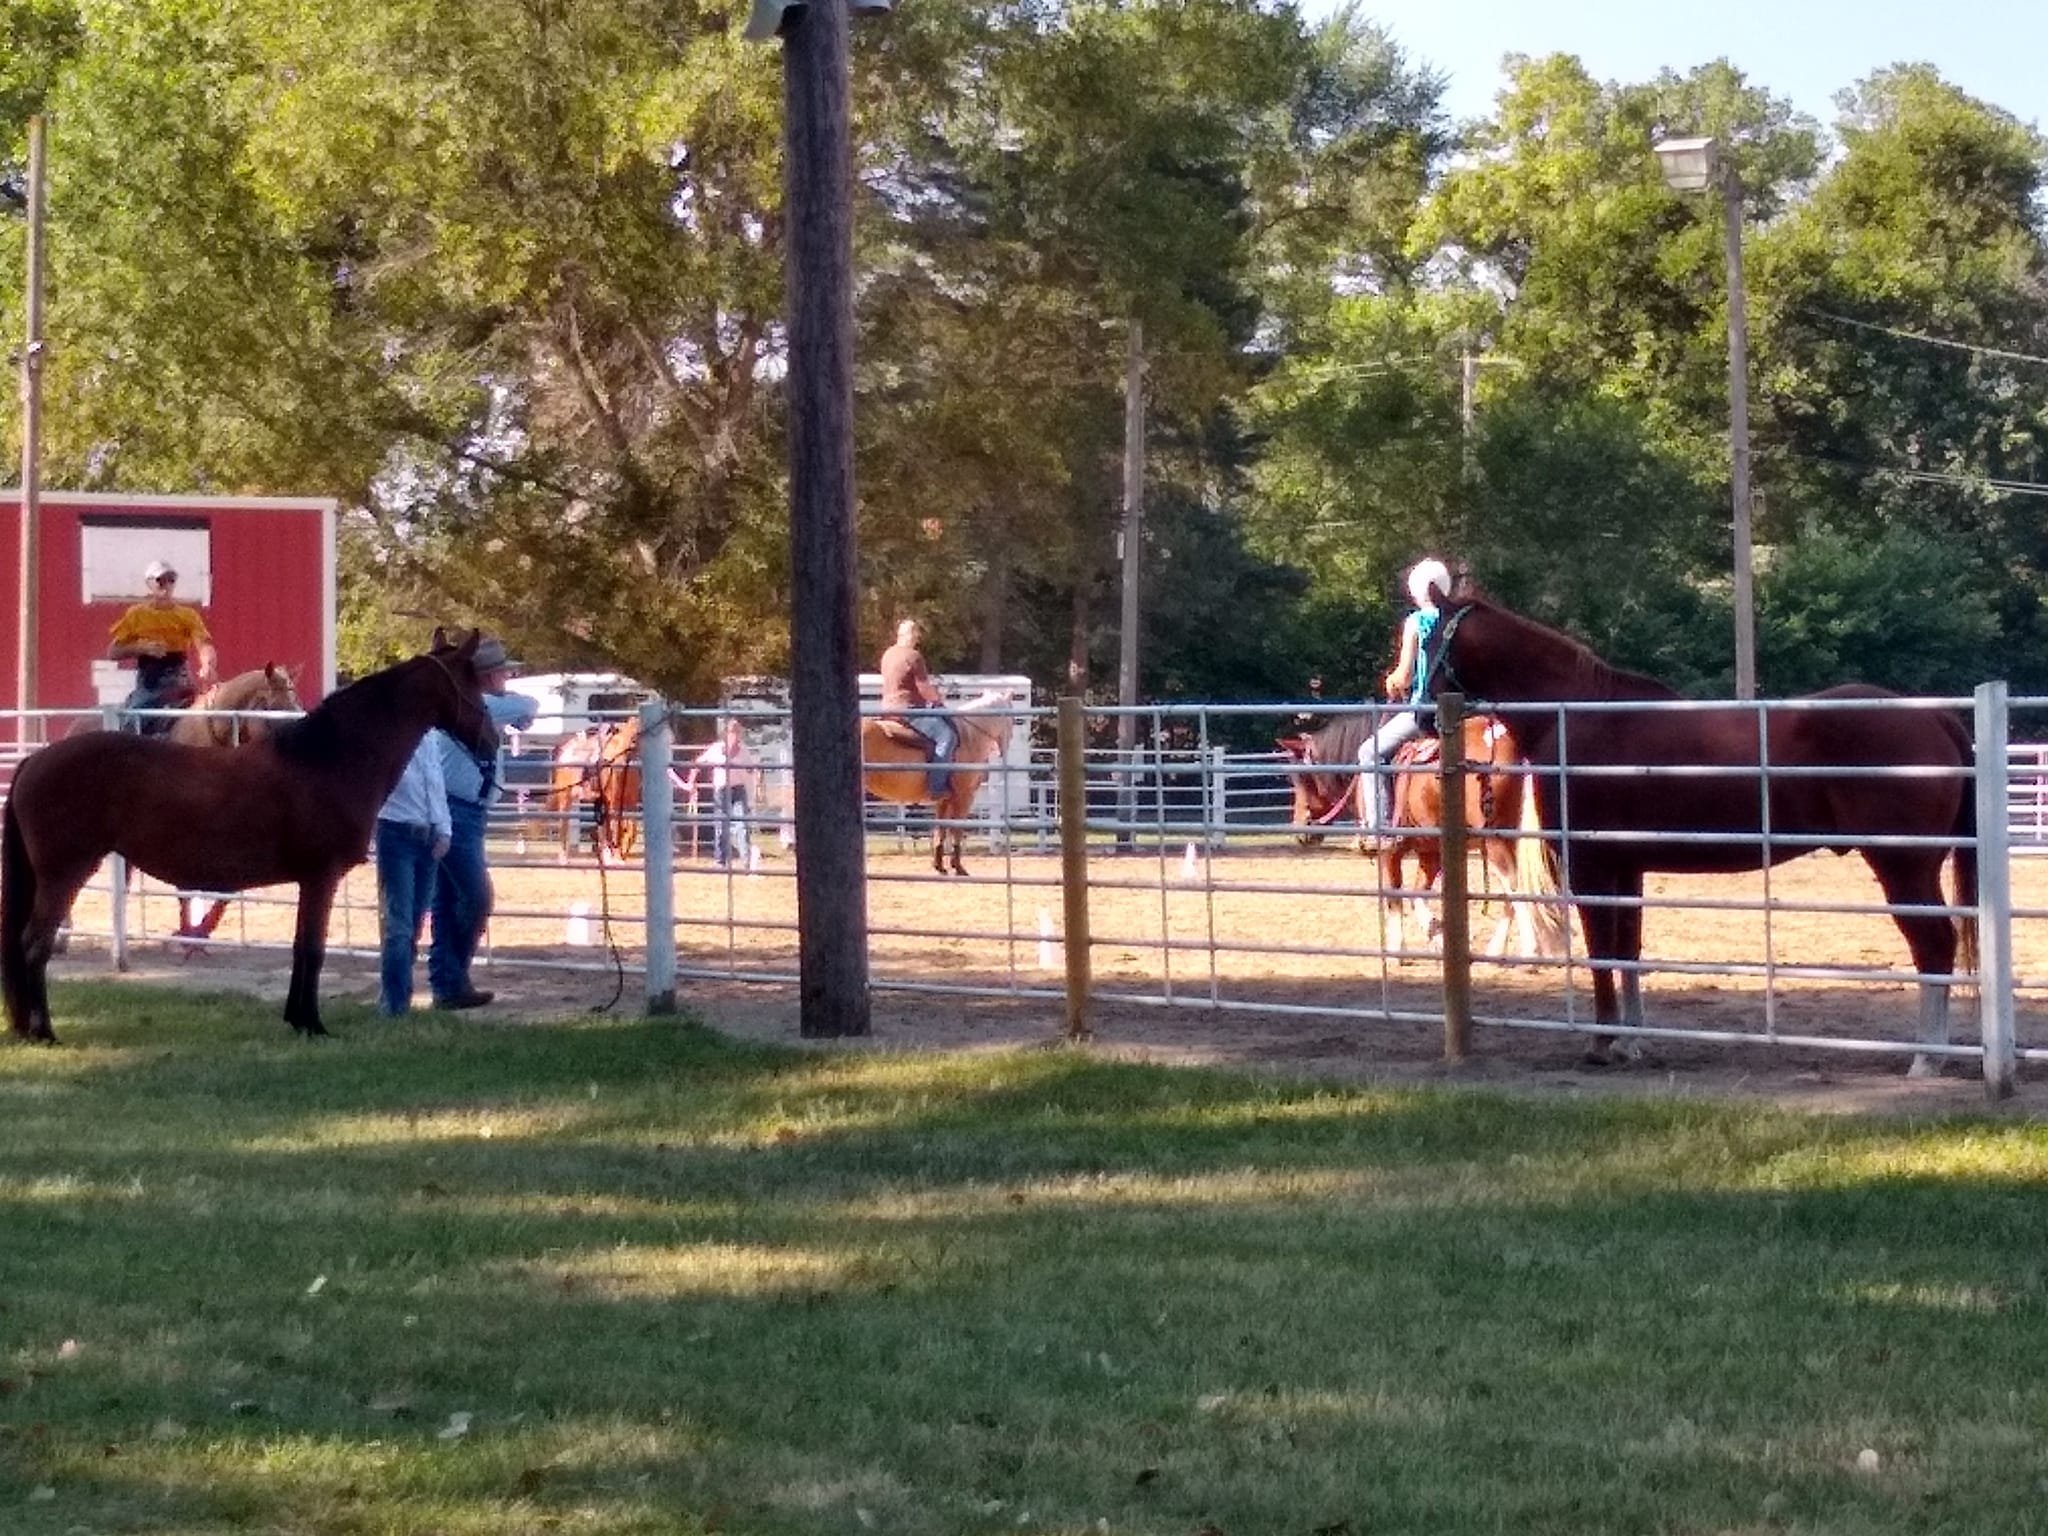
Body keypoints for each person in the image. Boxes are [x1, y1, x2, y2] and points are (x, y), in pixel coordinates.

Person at [427, 633, 537, 1010]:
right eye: (504, 673)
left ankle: (447, 982)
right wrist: (513, 706)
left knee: (448, 899)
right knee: (475, 897)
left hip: (461, 809)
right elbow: (528, 706)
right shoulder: (482, 706)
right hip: (459, 812)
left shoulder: (473, 706)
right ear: (490, 677)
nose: (507, 679)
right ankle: (452, 977)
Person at [1357, 557, 1453, 845]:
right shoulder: (1457, 619)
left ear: (1415, 590)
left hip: (1426, 710)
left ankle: (1379, 827)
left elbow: (1405, 675)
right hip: (1464, 711)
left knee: (1368, 753)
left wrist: (1392, 681)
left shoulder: (1416, 622)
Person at [374, 733, 452, 1016]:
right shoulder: (389, 733)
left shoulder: (430, 736)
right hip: (396, 831)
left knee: (414, 921)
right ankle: (394, 1005)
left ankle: (397, 996)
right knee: (400, 924)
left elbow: (436, 782)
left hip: (428, 836)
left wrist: (444, 828)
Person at [107, 559, 218, 734]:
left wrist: (207, 664)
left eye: (171, 580)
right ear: (149, 584)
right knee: (134, 720)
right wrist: (141, 648)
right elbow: (113, 651)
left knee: (206, 712)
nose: (166, 585)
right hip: (150, 681)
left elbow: (203, 643)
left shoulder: (187, 615)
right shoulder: (137, 614)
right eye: (160, 580)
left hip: (179, 677)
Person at [877, 617, 955, 792]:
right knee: (947, 736)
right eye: (914, 633)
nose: (916, 637)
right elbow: (924, 688)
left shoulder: (888, 654)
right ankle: (936, 786)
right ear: (905, 635)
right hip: (908, 711)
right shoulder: (913, 656)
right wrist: (939, 703)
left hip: (886, 709)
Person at [680, 717, 757, 869]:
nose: (735, 736)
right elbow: (698, 763)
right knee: (721, 825)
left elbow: (751, 767)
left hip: (738, 789)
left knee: (742, 825)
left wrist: (754, 775)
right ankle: (720, 860)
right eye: (732, 732)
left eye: (737, 732)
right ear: (726, 734)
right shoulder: (716, 749)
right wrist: (691, 782)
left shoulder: (743, 750)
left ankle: (746, 862)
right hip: (721, 790)